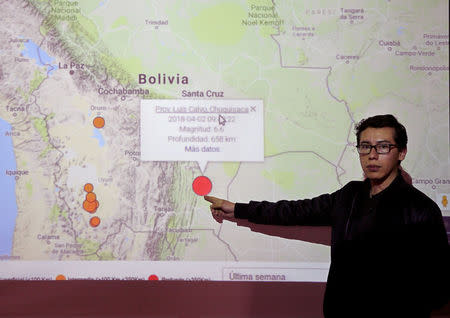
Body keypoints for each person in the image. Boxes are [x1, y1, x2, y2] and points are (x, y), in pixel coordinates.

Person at [205, 114, 449, 317]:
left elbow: (438, 288)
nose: (372, 155)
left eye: (383, 147)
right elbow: (294, 210)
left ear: (402, 152)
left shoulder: (421, 210)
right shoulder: (349, 195)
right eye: (365, 147)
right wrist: (237, 208)